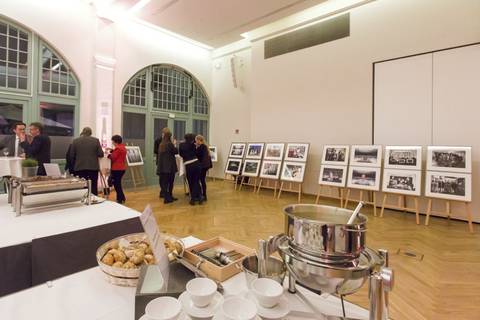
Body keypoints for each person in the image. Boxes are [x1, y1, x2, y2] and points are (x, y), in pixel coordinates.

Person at [71, 127, 104, 195]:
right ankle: (94, 199)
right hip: (93, 167)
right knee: (93, 186)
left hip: (79, 167)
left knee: (82, 186)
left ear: (83, 132)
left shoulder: (75, 141)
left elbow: (71, 155)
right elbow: (101, 154)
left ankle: (83, 201)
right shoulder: (96, 140)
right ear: (91, 133)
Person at [179, 133, 202, 205]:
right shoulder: (193, 145)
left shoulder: (181, 145)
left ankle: (193, 199)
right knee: (196, 181)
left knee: (191, 182)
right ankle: (200, 197)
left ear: (185, 138)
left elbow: (181, 155)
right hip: (196, 163)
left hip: (189, 165)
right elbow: (196, 153)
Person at [157, 131, 178, 204]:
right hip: (170, 167)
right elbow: (176, 151)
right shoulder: (169, 144)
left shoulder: (161, 144)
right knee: (171, 182)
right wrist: (174, 144)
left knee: (165, 183)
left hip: (163, 167)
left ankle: (167, 197)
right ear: (169, 137)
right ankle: (169, 196)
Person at [107, 135, 127, 204]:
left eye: (113, 141)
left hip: (117, 169)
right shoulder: (122, 147)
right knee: (118, 184)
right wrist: (112, 150)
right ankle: (122, 197)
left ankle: (120, 199)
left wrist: (107, 154)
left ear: (116, 141)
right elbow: (118, 154)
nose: (112, 143)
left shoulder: (118, 148)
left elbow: (113, 157)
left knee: (117, 185)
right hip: (122, 168)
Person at [154, 127, 172, 198]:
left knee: (166, 177)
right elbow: (155, 150)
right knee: (162, 177)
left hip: (167, 161)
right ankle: (163, 191)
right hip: (161, 161)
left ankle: (164, 192)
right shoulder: (158, 140)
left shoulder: (169, 140)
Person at [195, 135, 212, 201]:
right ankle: (204, 195)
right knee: (202, 180)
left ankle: (200, 195)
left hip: (202, 167)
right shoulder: (205, 147)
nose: (195, 141)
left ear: (199, 140)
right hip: (205, 166)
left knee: (199, 180)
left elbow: (196, 155)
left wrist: (196, 147)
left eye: (196, 140)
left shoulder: (201, 147)